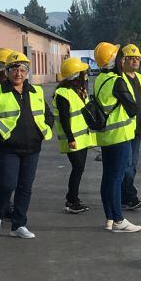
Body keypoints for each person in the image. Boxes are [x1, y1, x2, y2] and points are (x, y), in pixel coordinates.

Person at [0, 52, 52, 238]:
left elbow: (47, 114)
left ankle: (18, 225)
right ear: (7, 71)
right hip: (6, 147)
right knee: (7, 184)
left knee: (25, 187)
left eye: (23, 69)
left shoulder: (36, 91)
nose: (19, 73)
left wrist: (45, 128)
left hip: (32, 147)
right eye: (14, 69)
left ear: (27, 72)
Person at [94, 41, 141, 232]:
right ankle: (119, 220)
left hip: (106, 136)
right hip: (120, 136)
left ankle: (109, 217)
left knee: (107, 178)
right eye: (120, 57)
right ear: (115, 60)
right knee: (116, 179)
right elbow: (133, 108)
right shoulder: (117, 81)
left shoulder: (99, 79)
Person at [53, 57, 95, 214]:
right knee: (77, 168)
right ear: (76, 75)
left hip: (82, 138)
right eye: (82, 72)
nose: (85, 74)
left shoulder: (79, 91)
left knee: (80, 168)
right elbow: (64, 119)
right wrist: (70, 138)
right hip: (73, 140)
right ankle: (71, 200)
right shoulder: (63, 93)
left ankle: (72, 199)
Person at [118, 44, 141, 211]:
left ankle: (125, 196)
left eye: (138, 58)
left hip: (138, 129)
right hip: (125, 129)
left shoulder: (140, 78)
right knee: (127, 165)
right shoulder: (119, 79)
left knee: (132, 165)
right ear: (124, 60)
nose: (136, 61)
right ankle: (130, 196)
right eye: (132, 58)